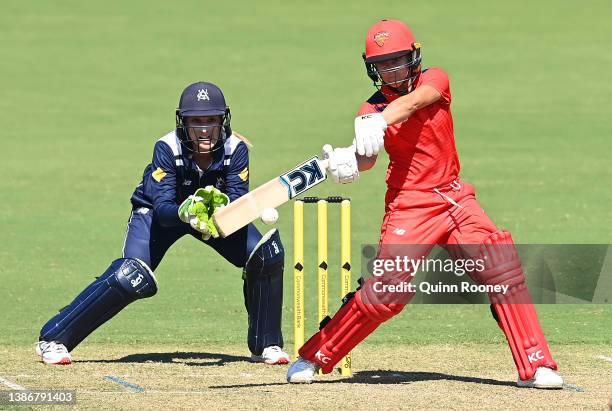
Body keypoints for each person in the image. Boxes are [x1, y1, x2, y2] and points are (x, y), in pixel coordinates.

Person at [287, 20, 564, 388]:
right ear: (371, 67)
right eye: (383, 64)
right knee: (387, 292)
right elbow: (367, 158)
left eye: (398, 61)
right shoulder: (367, 109)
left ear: (414, 56)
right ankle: (314, 356)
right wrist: (348, 163)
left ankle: (537, 365)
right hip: (409, 205)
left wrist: (380, 120)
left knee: (502, 266)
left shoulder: (435, 79)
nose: (391, 70)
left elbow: (417, 100)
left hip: (453, 196)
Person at [36, 82, 290, 366]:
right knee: (131, 275)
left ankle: (266, 344)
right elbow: (164, 207)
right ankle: (54, 338)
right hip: (159, 215)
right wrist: (188, 214)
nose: (204, 129)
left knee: (266, 256)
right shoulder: (167, 148)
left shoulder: (236, 148)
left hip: (213, 219)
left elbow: (237, 201)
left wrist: (212, 219)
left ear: (223, 120)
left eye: (210, 120)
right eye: (196, 122)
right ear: (184, 123)